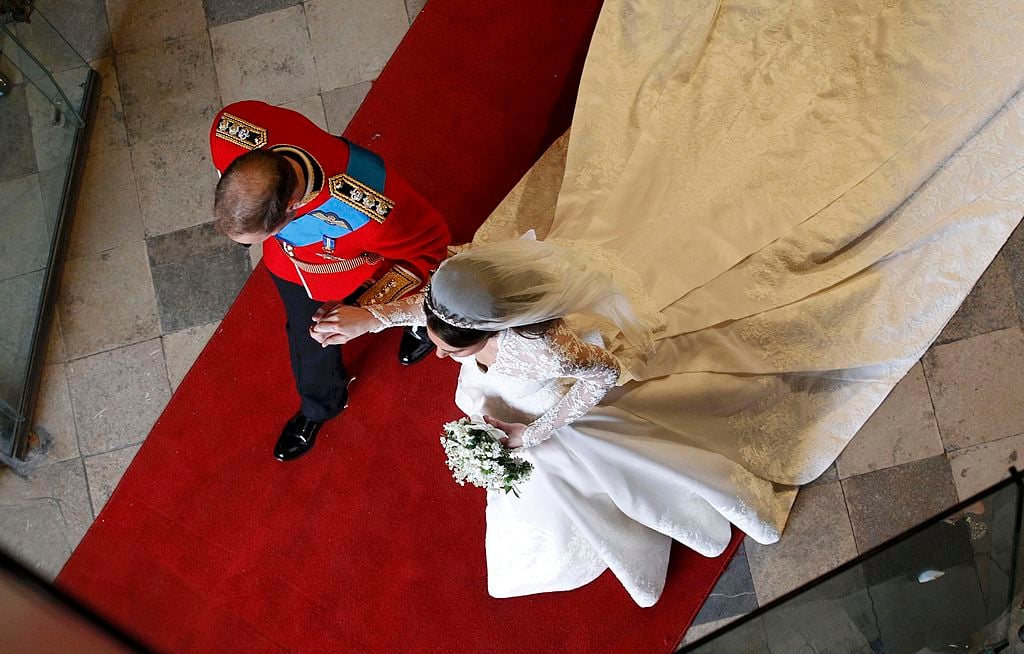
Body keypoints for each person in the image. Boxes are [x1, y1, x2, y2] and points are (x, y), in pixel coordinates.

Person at [315, 0, 1024, 606]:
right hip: (538, 377)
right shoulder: (471, 298)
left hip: (573, 390)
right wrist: (371, 316)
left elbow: (595, 380)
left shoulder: (550, 344)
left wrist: (536, 434)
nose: (440, 355)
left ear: (501, 332)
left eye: (452, 349)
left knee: (570, 455)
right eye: (446, 344)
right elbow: (437, 312)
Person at [210, 100, 450, 462]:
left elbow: (430, 248)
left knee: (432, 288)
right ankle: (320, 406)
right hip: (292, 266)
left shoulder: (372, 207)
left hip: (363, 268)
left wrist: (368, 311)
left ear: (292, 205)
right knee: (308, 337)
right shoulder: (231, 128)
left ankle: (421, 324)